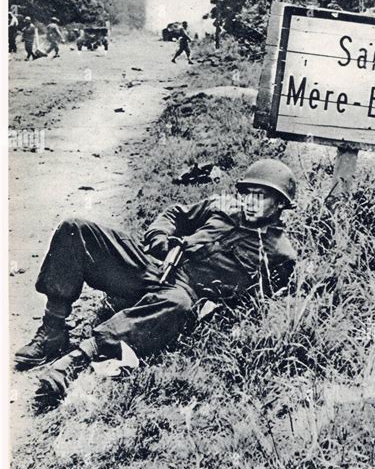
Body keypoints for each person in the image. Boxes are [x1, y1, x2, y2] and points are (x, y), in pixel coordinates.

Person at [14, 159, 297, 410]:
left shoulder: (279, 254)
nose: (250, 201)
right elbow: (176, 215)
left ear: (281, 204)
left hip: (184, 295)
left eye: (261, 197)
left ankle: (80, 355)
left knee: (178, 304)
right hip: (155, 268)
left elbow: (260, 303)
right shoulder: (221, 206)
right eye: (247, 193)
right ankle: (53, 330)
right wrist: (161, 239)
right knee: (76, 228)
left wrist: (215, 310)